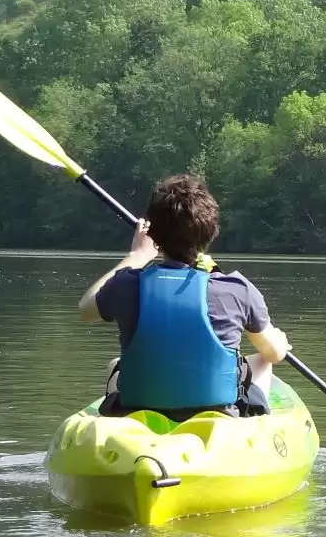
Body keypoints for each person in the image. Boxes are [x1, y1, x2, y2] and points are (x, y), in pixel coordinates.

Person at [78, 174, 290, 419]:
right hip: (216, 417)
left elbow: (86, 308)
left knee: (116, 365)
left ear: (154, 237)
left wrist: (137, 256)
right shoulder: (237, 288)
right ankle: (255, 425)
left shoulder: (125, 284)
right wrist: (281, 344)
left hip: (138, 414)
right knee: (264, 360)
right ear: (211, 232)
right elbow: (274, 353)